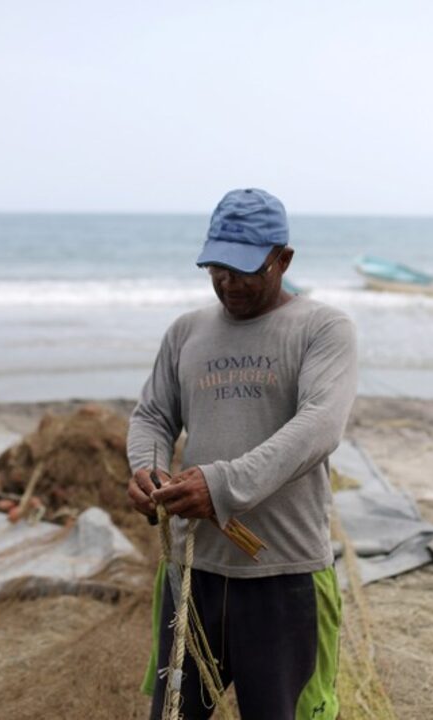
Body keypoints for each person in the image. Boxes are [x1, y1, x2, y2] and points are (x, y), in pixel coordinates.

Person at [127, 188, 358, 719]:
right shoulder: (187, 331)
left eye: (245, 269)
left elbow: (319, 425)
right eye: (217, 267)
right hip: (193, 572)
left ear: (283, 259)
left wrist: (220, 484)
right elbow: (154, 416)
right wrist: (147, 468)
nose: (227, 282)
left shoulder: (322, 329)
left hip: (283, 576)